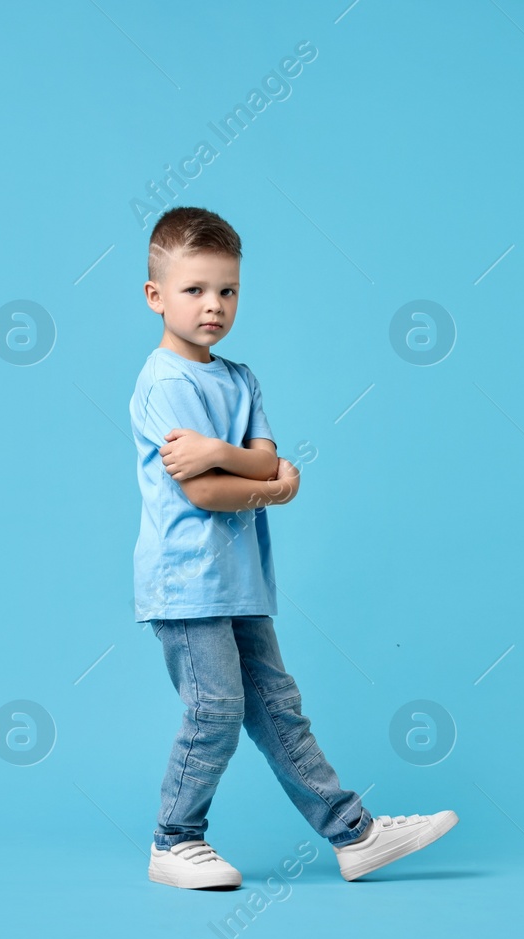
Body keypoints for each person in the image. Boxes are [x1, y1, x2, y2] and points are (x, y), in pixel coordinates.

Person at [128, 205, 458, 890]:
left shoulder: (241, 379)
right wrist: (257, 475)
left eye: (228, 290)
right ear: (156, 296)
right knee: (214, 707)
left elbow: (268, 460)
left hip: (242, 580)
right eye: (195, 290)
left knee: (277, 705)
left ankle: (354, 833)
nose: (214, 305)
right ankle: (174, 838)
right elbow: (208, 493)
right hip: (187, 584)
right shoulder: (162, 382)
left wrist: (225, 456)